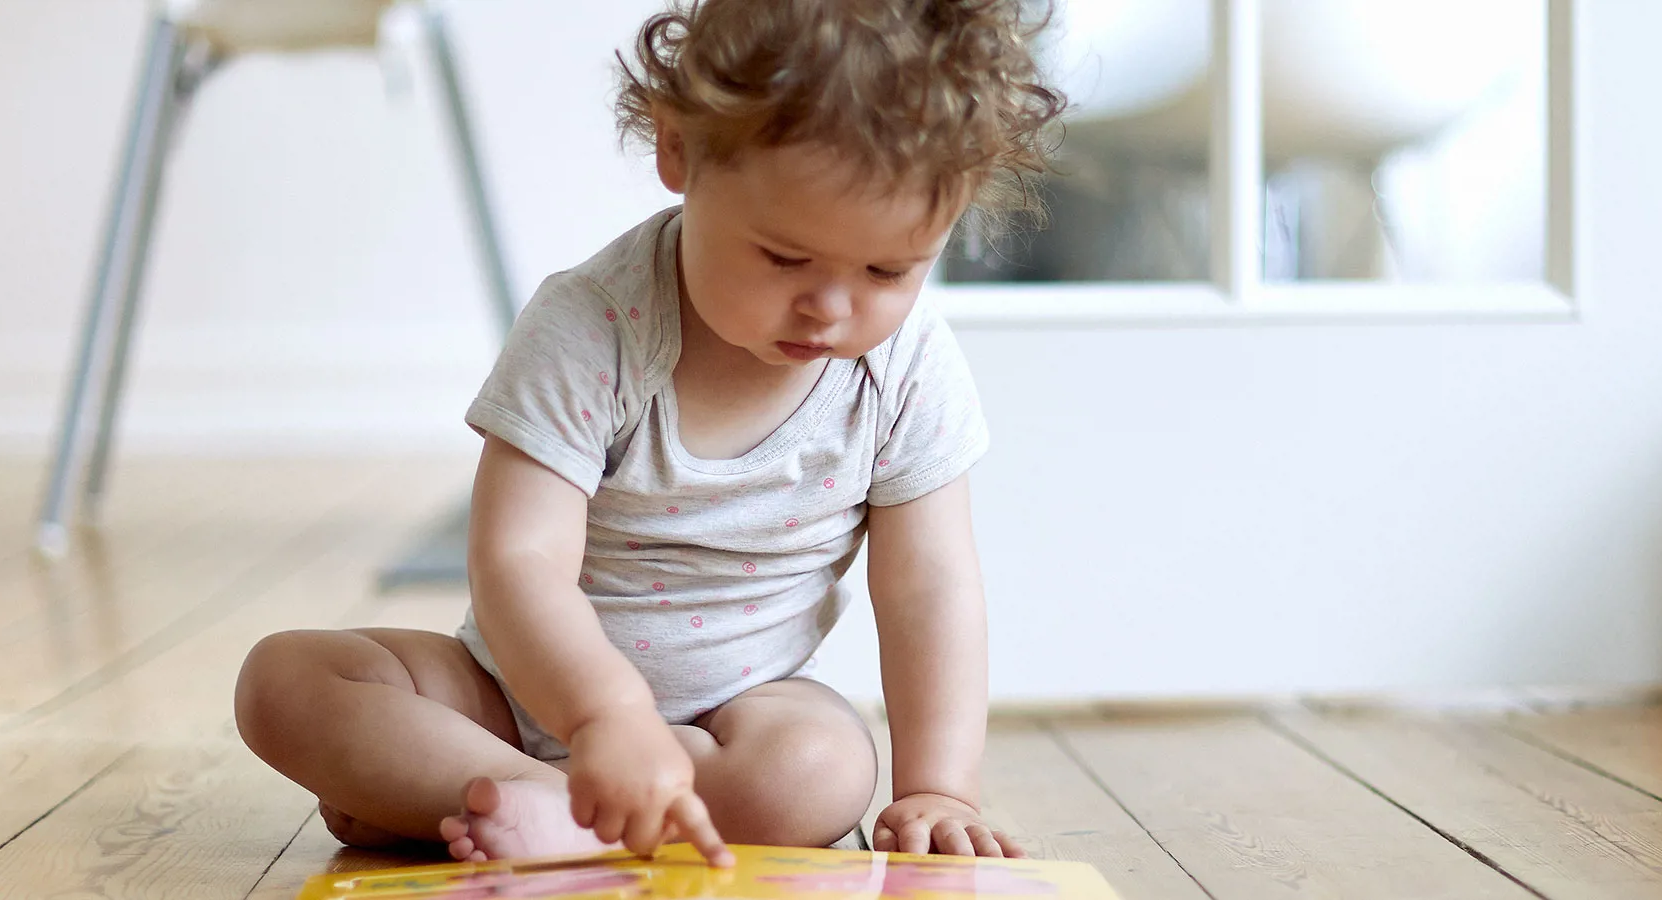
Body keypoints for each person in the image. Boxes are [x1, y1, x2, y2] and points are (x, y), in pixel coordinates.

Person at [234, 0, 1065, 866]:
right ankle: (544, 795)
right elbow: (520, 560)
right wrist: (604, 720)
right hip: (516, 698)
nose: (830, 306)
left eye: (888, 270)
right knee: (285, 680)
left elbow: (929, 588)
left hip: (732, 714)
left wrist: (938, 786)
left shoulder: (906, 370)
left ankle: (495, 804)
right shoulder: (593, 328)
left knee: (821, 768)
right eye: (784, 258)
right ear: (678, 149)